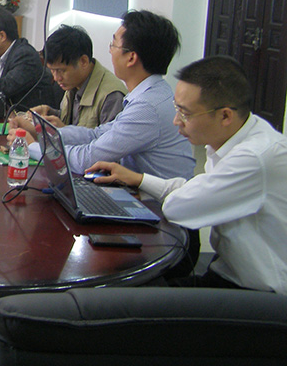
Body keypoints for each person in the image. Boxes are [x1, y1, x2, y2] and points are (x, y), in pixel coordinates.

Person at [87, 56, 287, 294]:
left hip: (260, 295)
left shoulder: (253, 158)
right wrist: (139, 180)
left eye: (185, 113)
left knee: (129, 300)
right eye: (176, 108)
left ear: (225, 116)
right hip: (227, 270)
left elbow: (179, 208)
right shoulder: (238, 134)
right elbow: (198, 188)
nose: (176, 121)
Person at [51, 10, 195, 180]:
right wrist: (50, 133)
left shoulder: (147, 108)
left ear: (131, 58)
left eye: (113, 45)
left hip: (153, 197)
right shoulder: (152, 94)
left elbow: (88, 159)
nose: (110, 51)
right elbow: (96, 135)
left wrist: (40, 148)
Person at [9, 25, 126, 137]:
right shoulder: (75, 82)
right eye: (52, 71)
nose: (56, 78)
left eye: (60, 71)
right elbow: (76, 119)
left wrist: (64, 131)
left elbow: (106, 145)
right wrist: (49, 112)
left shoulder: (111, 96)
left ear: (83, 61)